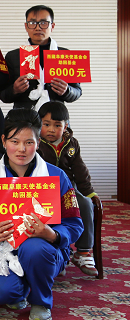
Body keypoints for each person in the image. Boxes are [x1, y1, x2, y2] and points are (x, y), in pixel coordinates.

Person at [0, 109, 83, 320]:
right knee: (0, 292)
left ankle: (41, 301)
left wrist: (52, 234)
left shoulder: (57, 176)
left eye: (29, 142)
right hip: (3, 250)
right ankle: (19, 289)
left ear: (39, 142)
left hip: (45, 249)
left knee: (34, 248)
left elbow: (74, 224)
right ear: (3, 141)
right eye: (14, 142)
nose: (22, 149)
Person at [37, 102, 99, 276]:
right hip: (43, 190)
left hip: (67, 189)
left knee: (85, 204)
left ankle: (83, 252)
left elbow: (80, 170)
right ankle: (58, 252)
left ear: (65, 127)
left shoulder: (71, 144)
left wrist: (89, 192)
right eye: (46, 124)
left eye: (57, 125)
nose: (51, 129)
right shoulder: (36, 142)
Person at [0, 5, 82, 110]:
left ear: (52, 26)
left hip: (55, 116)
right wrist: (14, 90)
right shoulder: (13, 56)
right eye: (32, 23)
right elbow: (3, 95)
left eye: (43, 23)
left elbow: (77, 91)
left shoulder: (65, 55)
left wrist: (67, 91)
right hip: (24, 117)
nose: (38, 28)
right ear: (26, 26)